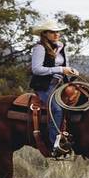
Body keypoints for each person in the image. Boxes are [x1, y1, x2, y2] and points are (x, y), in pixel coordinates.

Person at [29, 19, 79, 157]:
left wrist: (71, 71)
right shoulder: (39, 48)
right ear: (45, 34)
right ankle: (55, 144)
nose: (56, 34)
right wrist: (60, 69)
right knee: (56, 109)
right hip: (45, 86)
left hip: (61, 84)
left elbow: (65, 65)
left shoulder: (61, 47)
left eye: (57, 31)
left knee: (79, 101)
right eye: (53, 32)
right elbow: (37, 69)